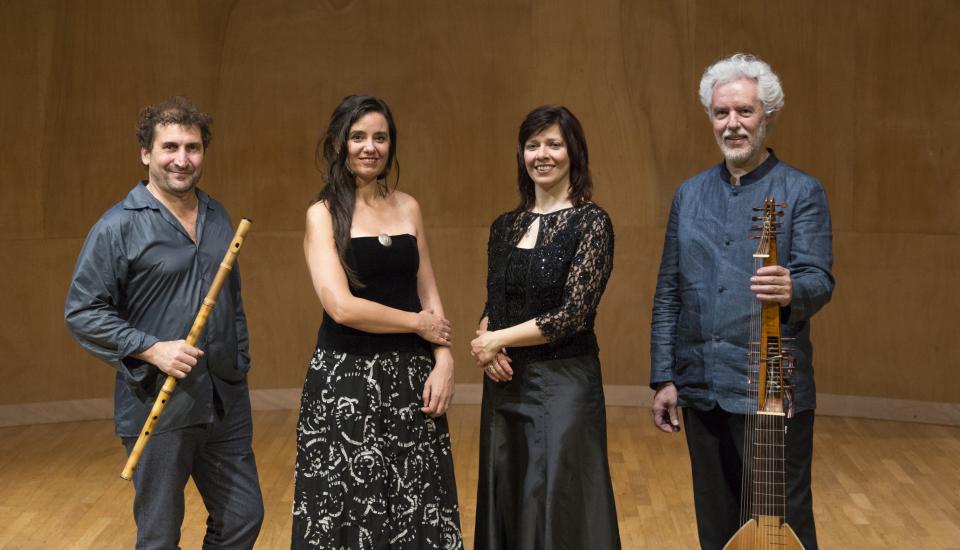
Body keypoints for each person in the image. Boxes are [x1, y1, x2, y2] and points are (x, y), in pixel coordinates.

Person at [650, 53, 835, 550]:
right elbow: (669, 292)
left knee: (782, 527)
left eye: (744, 111)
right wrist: (665, 376)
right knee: (716, 528)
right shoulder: (689, 195)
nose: (732, 124)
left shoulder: (802, 191)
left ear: (768, 114)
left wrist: (794, 288)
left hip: (771, 391)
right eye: (721, 113)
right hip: (702, 386)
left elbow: (819, 278)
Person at [64, 96, 264, 549]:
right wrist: (152, 348)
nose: (182, 159)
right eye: (170, 147)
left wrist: (238, 361)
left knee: (243, 517)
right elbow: (82, 311)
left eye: (192, 147)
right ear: (146, 153)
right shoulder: (118, 226)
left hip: (223, 400)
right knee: (159, 537)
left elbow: (232, 301)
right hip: (158, 401)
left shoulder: (217, 216)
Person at [294, 95, 462, 549]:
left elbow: (428, 292)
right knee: (351, 512)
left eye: (380, 138)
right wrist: (417, 325)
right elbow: (342, 307)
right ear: (339, 144)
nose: (370, 147)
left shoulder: (408, 207)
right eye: (359, 137)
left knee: (417, 507)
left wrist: (444, 360)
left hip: (412, 379)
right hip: (346, 382)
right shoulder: (322, 214)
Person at [470, 105, 620, 549]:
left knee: (559, 501)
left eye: (553, 144)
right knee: (509, 496)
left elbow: (573, 314)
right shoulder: (504, 226)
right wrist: (487, 344)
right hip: (505, 385)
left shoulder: (591, 223)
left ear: (573, 152)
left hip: (564, 384)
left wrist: (497, 339)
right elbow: (494, 303)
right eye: (533, 145)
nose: (542, 154)